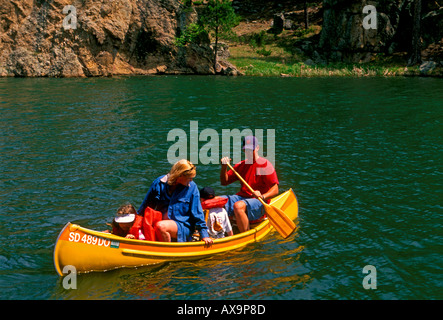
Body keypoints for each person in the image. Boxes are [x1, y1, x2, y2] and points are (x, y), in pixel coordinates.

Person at [137, 159, 213, 246]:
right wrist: (134, 229)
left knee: (161, 226)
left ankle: (168, 252)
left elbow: (197, 213)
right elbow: (144, 208)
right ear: (180, 176)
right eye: (189, 178)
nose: (191, 180)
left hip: (182, 226)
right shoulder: (158, 183)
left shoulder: (192, 188)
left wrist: (204, 235)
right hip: (159, 222)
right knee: (158, 225)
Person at [220, 136, 279, 233]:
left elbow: (275, 189)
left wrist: (262, 196)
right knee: (217, 201)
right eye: (246, 149)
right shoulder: (241, 165)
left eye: (251, 149)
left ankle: (245, 235)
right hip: (242, 198)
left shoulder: (265, 165)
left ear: (257, 148)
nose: (248, 152)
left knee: (238, 206)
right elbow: (224, 182)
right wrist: (224, 167)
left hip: (260, 201)